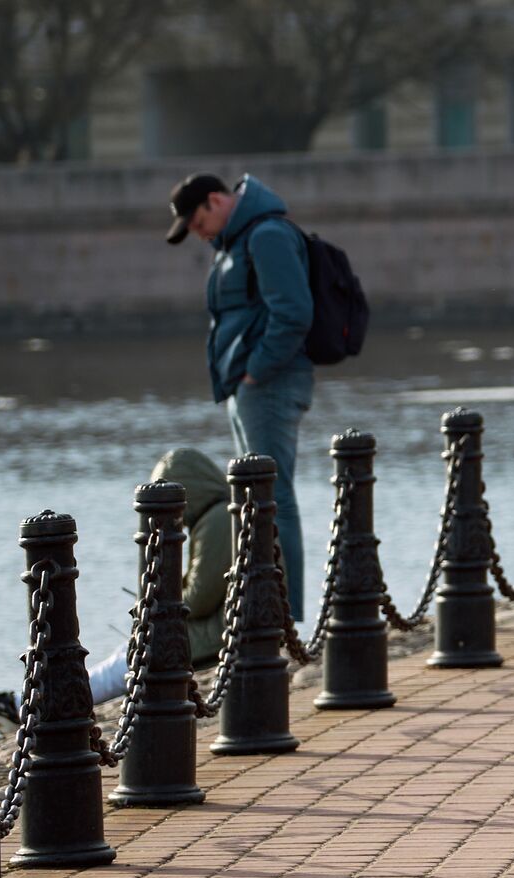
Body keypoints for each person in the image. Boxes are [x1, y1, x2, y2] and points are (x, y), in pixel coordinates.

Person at [0, 448, 232, 729]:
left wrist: (156, 603)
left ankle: (38, 703)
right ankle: (31, 701)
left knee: (128, 662)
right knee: (127, 653)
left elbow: (199, 599)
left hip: (219, 634)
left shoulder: (218, 521)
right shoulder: (219, 517)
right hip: (222, 627)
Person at [166, 172, 313, 622]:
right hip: (248, 387)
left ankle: (284, 617)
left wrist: (254, 373)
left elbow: (294, 312)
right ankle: (270, 610)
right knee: (259, 499)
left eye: (196, 222)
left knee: (274, 499)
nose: (197, 233)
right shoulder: (237, 241)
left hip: (268, 385)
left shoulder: (265, 236)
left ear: (215, 200)